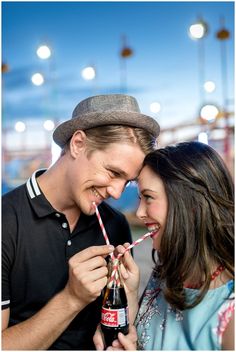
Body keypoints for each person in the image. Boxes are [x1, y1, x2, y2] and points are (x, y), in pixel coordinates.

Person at [1, 94, 160, 350]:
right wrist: (72, 298)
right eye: (113, 172)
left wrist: (126, 316)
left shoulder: (115, 224)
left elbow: (117, 325)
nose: (117, 193)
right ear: (77, 144)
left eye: (127, 181)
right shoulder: (6, 221)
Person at [94, 141, 234, 350]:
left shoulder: (230, 317)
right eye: (140, 197)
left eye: (148, 197)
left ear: (191, 204)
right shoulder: (164, 275)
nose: (140, 212)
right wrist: (130, 295)